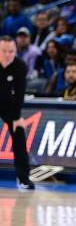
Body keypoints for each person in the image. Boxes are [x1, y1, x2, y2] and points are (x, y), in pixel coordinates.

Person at [0, 36, 34, 189]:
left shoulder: (20, 66)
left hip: (9, 105)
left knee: (19, 134)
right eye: (4, 51)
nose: (8, 55)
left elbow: (19, 94)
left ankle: (24, 178)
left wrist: (16, 118)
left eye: (11, 51)